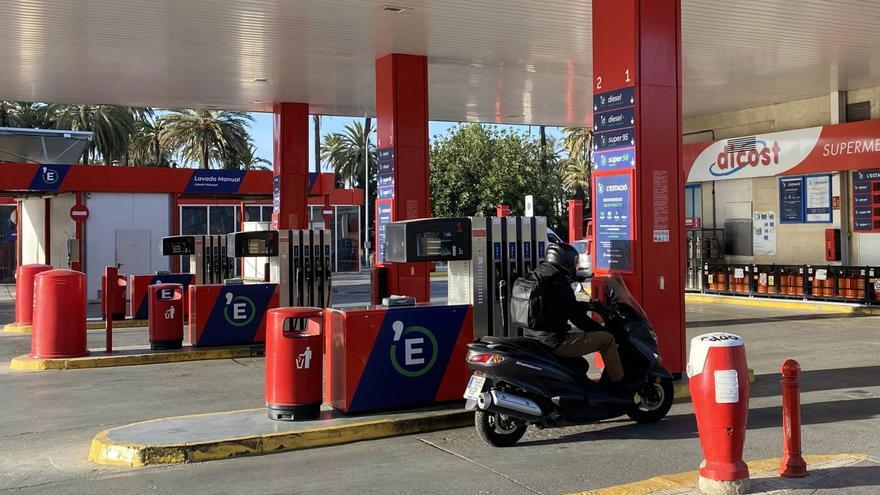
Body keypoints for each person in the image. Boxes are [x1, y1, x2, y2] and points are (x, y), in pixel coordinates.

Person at [522, 242, 627, 388]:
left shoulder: (539, 278)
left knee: (580, 364)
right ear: (565, 261)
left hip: (535, 337)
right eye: (574, 262)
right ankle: (618, 386)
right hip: (555, 342)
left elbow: (560, 307)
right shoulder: (559, 286)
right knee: (608, 340)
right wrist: (602, 329)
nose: (575, 266)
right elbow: (580, 320)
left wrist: (587, 306)